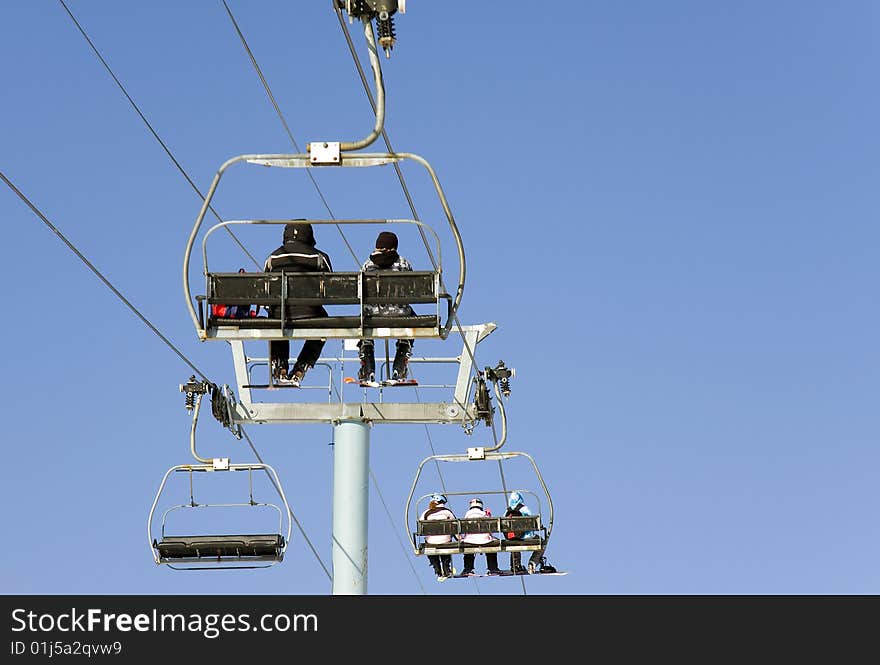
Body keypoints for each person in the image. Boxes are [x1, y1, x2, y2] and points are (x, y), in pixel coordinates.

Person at [264, 223, 333, 387]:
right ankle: (301, 367)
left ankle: (280, 366)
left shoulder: (273, 258)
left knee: (277, 322)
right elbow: (332, 288)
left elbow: (265, 289)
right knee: (324, 323)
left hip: (280, 312)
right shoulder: (319, 257)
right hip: (310, 312)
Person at [357, 231, 415, 385]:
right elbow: (411, 290)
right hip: (400, 315)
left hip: (372, 316)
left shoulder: (367, 265)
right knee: (413, 319)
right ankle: (400, 364)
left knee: (363, 321)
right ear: (394, 247)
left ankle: (368, 366)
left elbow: (360, 292)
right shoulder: (403, 263)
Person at [504, 490, 546, 574]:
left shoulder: (507, 512)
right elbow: (533, 521)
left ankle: (515, 565)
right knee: (542, 541)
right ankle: (533, 562)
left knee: (514, 543)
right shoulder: (524, 509)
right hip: (526, 537)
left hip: (511, 537)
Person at [419, 493, 457, 580]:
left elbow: (421, 527)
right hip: (445, 540)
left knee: (431, 548)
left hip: (431, 541)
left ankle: (437, 570)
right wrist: (459, 538)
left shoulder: (426, 513)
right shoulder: (447, 512)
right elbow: (455, 526)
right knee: (445, 547)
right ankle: (446, 569)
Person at [460, 497, 502, 576]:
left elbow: (465, 528)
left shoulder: (468, 514)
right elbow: (490, 529)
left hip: (470, 540)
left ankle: (468, 569)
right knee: (491, 550)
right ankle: (493, 568)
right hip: (484, 539)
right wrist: (488, 515)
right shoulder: (484, 514)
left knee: (468, 552)